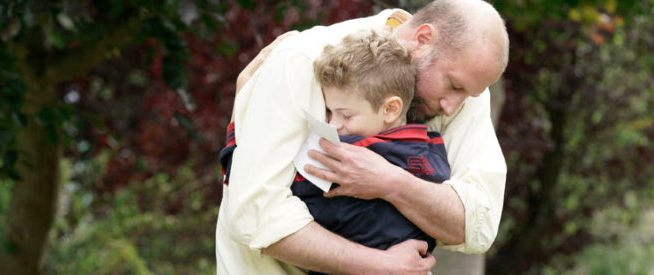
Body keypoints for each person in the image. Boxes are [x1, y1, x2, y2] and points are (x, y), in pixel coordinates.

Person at [217, 0, 511, 274]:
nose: (452, 106)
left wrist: (391, 183)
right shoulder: (302, 60)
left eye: (467, 94)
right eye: (453, 86)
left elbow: (477, 225)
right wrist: (382, 266)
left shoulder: (465, 86)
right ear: (422, 40)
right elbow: (254, 215)